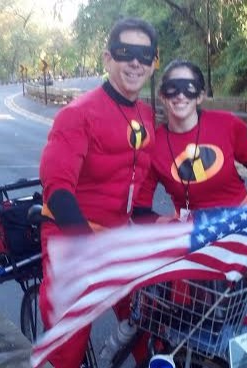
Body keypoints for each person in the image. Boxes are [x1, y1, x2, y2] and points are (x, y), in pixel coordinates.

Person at [38, 17, 158, 368]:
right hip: (71, 232)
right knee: (69, 345)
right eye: (125, 53)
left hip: (119, 233)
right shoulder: (78, 114)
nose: (135, 62)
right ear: (108, 59)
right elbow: (57, 189)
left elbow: (161, 172)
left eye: (144, 54)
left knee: (151, 322)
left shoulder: (147, 114)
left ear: (153, 63)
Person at [134, 59, 247, 223]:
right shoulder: (152, 147)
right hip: (193, 233)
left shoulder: (226, 125)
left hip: (241, 221)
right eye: (173, 88)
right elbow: (139, 209)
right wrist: (171, 226)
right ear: (162, 95)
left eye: (189, 88)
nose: (180, 95)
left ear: (200, 96)